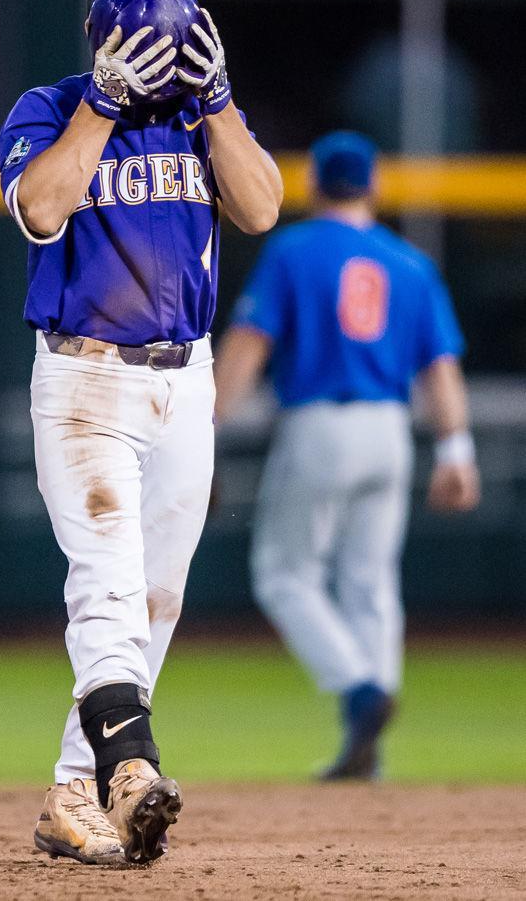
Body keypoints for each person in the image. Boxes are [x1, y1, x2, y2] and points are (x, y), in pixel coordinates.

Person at [0, 0, 281, 866]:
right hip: (88, 381)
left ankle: (74, 792)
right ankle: (132, 767)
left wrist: (221, 102)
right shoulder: (48, 106)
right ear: (104, 40)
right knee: (108, 584)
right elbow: (40, 210)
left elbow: (264, 206)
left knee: (155, 599)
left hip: (183, 380)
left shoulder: (200, 120)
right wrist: (103, 107)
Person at [213, 131, 479, 780]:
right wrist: (456, 448)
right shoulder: (409, 262)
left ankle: (361, 689)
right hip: (391, 428)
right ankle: (370, 739)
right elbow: (441, 368)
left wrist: (206, 429)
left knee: (284, 573)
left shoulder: (294, 250)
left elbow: (249, 345)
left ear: (310, 186)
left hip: (320, 424)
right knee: (371, 582)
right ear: (375, 188)